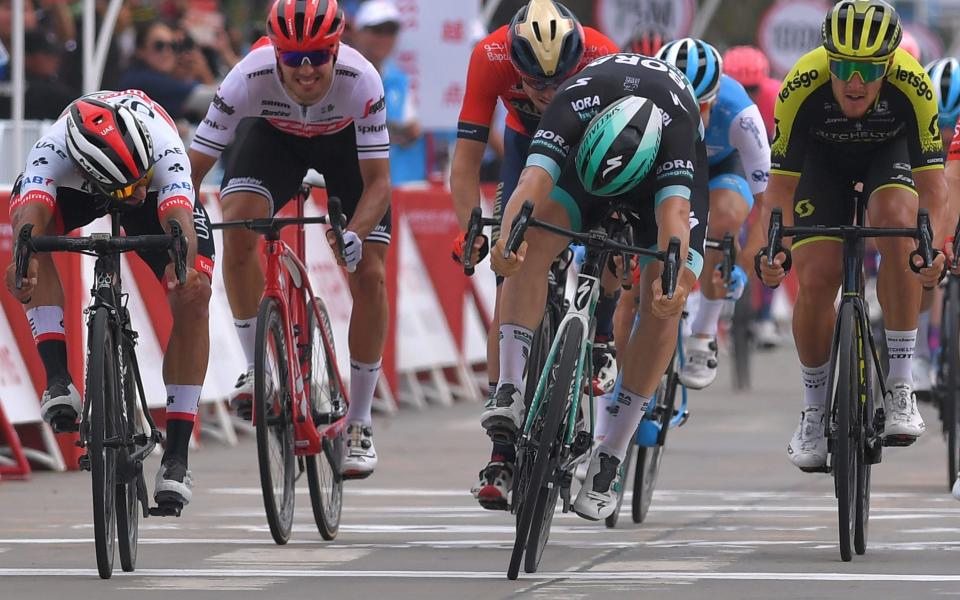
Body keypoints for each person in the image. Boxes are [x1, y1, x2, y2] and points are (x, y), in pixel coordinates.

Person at [488, 51, 707, 521]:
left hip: (660, 186)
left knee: (664, 296)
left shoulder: (677, 138)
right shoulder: (574, 101)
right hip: (588, 164)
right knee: (530, 243)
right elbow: (532, 179)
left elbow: (674, 222)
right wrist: (507, 240)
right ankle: (510, 387)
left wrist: (674, 284)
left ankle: (613, 449)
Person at [187, 0, 391, 480]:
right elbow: (191, 169)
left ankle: (359, 422)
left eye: (318, 57)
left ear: (335, 49)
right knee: (237, 229)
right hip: (274, 140)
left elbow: (379, 182)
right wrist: (177, 221)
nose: (305, 70)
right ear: (274, 50)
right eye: (293, 57)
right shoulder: (247, 76)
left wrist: (355, 235)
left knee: (370, 275)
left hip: (344, 147)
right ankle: (261, 368)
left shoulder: (362, 81)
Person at [755, 0, 947, 470]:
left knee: (902, 231)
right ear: (827, 60)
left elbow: (933, 189)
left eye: (866, 69)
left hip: (889, 155)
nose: (853, 81)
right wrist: (772, 249)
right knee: (817, 275)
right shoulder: (801, 84)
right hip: (822, 164)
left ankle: (901, 386)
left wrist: (934, 249)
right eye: (841, 66)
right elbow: (777, 188)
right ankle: (814, 412)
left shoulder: (913, 85)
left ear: (888, 65)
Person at [4, 90, 215, 511]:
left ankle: (176, 455)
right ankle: (58, 379)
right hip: (79, 187)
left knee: (194, 296)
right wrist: (21, 264)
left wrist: (183, 267)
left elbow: (179, 224)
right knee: (31, 249)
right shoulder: (53, 149)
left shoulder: (164, 147)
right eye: (128, 188)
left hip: (158, 187)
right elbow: (28, 221)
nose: (133, 194)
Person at [451, 0, 617, 511]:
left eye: (558, 82)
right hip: (526, 150)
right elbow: (466, 159)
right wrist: (473, 229)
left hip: (595, 146)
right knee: (511, 264)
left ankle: (602, 333)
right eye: (534, 85)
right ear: (515, 66)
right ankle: (502, 440)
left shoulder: (602, 55)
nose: (547, 95)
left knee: (612, 240)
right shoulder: (491, 56)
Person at [653, 38, 766, 390]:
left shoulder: (741, 114)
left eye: (699, 106)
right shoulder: (646, 97)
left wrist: (744, 271)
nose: (690, 115)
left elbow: (769, 206)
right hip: (667, 160)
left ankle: (704, 330)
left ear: (715, 98)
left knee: (723, 219)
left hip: (721, 167)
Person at [723, 44, 785, 349]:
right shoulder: (721, 99)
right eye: (739, 87)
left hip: (768, 158)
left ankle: (765, 315)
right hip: (732, 157)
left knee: (775, 225)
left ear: (764, 82)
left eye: (752, 89)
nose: (745, 94)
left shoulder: (777, 97)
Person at [352, 0, 425, 184]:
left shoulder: (402, 80)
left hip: (402, 184)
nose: (384, 38)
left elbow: (413, 131)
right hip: (356, 183)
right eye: (377, 30)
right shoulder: (344, 76)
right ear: (358, 32)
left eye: (390, 31)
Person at [118, 20, 215, 121]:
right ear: (141, 50)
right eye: (159, 46)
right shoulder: (144, 80)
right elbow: (214, 100)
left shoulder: (137, 74)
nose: (167, 52)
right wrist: (204, 73)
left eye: (173, 46)